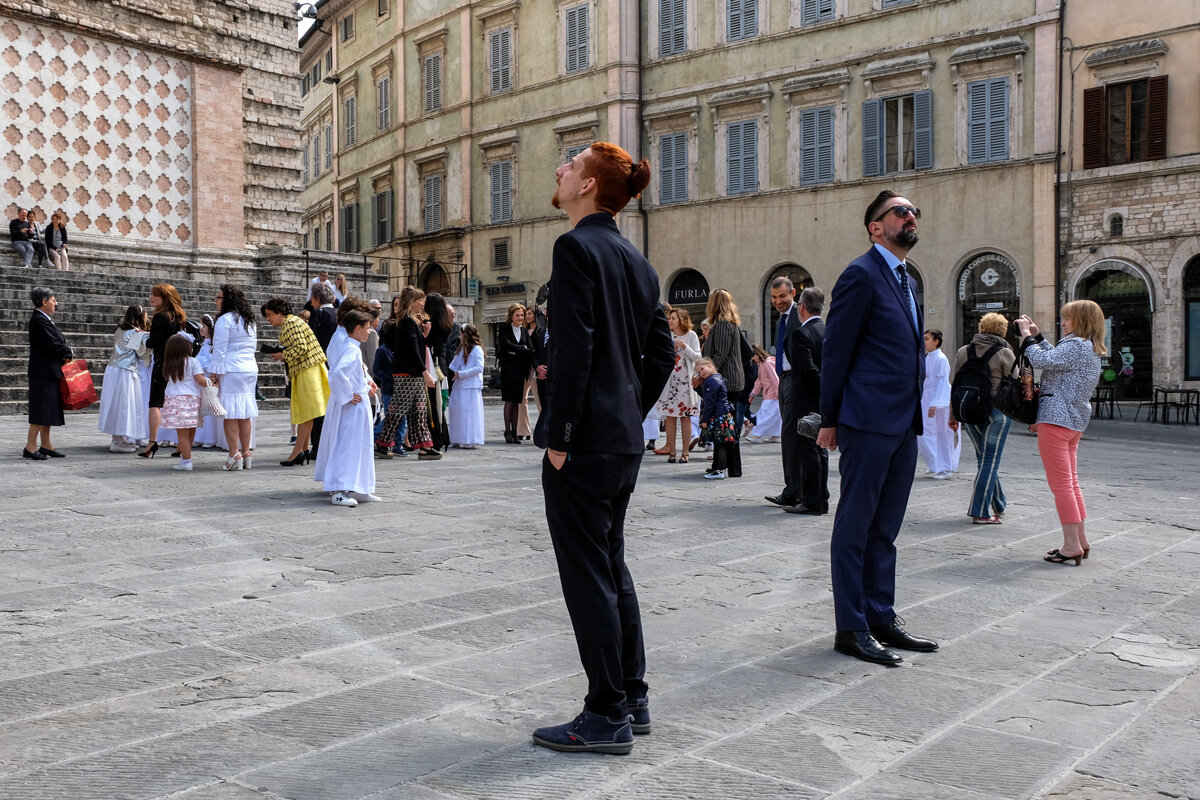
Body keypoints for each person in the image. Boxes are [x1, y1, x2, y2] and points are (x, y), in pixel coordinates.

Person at [532, 141, 673, 755]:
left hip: (583, 443)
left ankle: (606, 712)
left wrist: (559, 437)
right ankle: (632, 694)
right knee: (613, 565)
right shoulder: (638, 261)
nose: (560, 170)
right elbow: (662, 352)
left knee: (588, 572)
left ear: (588, 186)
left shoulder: (574, 247)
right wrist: (629, 412)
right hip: (621, 442)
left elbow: (574, 352)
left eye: (570, 165)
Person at [817, 190, 938, 667]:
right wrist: (829, 418)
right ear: (876, 227)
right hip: (866, 420)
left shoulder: (905, 279)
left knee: (885, 529)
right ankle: (851, 626)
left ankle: (881, 616)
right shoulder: (860, 275)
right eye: (901, 212)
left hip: (901, 422)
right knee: (855, 526)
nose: (911, 217)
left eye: (915, 211)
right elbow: (836, 352)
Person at [1016, 301, 1105, 565]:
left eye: (1067, 319)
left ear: (1081, 320)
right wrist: (1039, 337)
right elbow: (1056, 360)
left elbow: (1044, 361)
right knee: (1071, 483)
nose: (1063, 323)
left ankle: (1070, 546)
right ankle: (1081, 541)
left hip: (1055, 419)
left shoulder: (1075, 345)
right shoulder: (1088, 346)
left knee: (1062, 485)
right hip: (1074, 421)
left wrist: (1027, 337)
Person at [949, 313, 1016, 523]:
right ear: (1002, 330)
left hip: (969, 411)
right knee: (990, 460)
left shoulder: (963, 351)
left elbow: (955, 383)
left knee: (985, 460)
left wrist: (952, 414)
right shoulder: (1005, 352)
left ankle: (999, 503)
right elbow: (1015, 383)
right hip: (996, 412)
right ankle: (980, 512)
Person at [314, 310, 379, 507]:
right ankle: (340, 490)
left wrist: (366, 383)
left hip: (358, 404)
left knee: (360, 444)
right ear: (357, 328)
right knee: (348, 445)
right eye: (367, 328)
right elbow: (336, 373)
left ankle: (358, 486)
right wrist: (349, 395)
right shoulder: (351, 349)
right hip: (353, 407)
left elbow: (355, 371)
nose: (369, 332)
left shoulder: (352, 347)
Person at [262, 299, 328, 466]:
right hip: (308, 369)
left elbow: (301, 348)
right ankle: (304, 449)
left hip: (307, 370)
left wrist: (281, 355)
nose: (268, 319)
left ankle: (298, 451)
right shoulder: (294, 322)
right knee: (309, 412)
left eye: (269, 315)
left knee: (306, 413)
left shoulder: (291, 323)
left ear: (279, 312)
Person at [377, 286, 439, 460]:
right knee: (397, 411)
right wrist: (425, 372)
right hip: (407, 374)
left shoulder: (409, 322)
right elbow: (412, 351)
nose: (422, 304)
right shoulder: (407, 322)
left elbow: (414, 347)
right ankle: (383, 443)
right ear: (412, 303)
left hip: (412, 374)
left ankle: (425, 446)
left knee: (419, 409)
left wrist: (424, 335)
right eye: (420, 301)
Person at [783, 287, 828, 516]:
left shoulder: (801, 333)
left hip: (805, 399)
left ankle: (812, 501)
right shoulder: (825, 329)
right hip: (821, 400)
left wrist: (821, 385)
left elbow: (807, 369)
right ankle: (822, 497)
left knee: (808, 451)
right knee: (820, 449)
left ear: (801, 307)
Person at [210, 284, 259, 471]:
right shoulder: (249, 320)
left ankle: (233, 453)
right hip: (248, 368)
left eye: (219, 297)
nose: (216, 300)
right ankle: (246, 452)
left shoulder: (225, 320)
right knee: (244, 412)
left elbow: (220, 348)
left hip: (231, 368)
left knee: (230, 413)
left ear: (227, 300)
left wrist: (214, 372)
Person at [24, 287, 73, 460]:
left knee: (48, 409)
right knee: (41, 408)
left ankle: (46, 444)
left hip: (50, 371)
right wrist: (68, 353)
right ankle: (30, 446)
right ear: (44, 302)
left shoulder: (44, 319)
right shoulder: (38, 320)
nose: (56, 303)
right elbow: (52, 344)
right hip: (42, 372)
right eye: (53, 300)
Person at [140, 283, 186, 458]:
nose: (151, 298)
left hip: (162, 364)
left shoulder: (161, 317)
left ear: (164, 298)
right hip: (177, 364)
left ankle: (152, 442)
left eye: (155, 295)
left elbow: (153, 342)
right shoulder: (178, 316)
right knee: (177, 402)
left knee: (155, 403)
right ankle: (181, 444)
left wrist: (144, 336)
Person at [98, 305, 150, 453]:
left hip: (113, 369)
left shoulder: (120, 330)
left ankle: (120, 437)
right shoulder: (136, 333)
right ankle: (118, 441)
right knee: (125, 404)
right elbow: (145, 351)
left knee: (116, 403)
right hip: (126, 371)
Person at [653, 307, 701, 461]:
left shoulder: (691, 335)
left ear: (681, 319)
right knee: (670, 418)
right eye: (669, 318)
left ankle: (685, 452)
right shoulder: (667, 335)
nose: (670, 321)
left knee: (686, 418)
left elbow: (698, 358)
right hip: (669, 384)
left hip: (686, 385)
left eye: (673, 318)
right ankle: (672, 451)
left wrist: (685, 348)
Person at [158, 334, 206, 471]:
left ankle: (186, 460)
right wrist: (211, 384)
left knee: (182, 434)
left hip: (175, 399)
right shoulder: (193, 362)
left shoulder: (169, 364)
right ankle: (185, 459)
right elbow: (200, 380)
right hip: (193, 399)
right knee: (191, 431)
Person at [918, 329, 961, 479]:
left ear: (936, 341)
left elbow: (943, 381)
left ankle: (944, 466)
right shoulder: (927, 357)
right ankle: (934, 462)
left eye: (927, 338)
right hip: (927, 396)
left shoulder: (941, 358)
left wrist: (935, 403)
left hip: (938, 398)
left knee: (941, 433)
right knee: (925, 433)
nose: (924, 341)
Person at [700, 290, 744, 419]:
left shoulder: (723, 325)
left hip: (726, 380)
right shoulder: (728, 324)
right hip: (728, 380)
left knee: (725, 425)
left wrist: (704, 375)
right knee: (728, 423)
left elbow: (720, 354)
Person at [695, 358, 739, 479]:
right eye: (699, 372)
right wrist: (698, 388)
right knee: (721, 443)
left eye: (702, 369)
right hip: (723, 414)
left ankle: (720, 470)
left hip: (718, 415)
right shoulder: (717, 377)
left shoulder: (711, 381)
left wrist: (704, 419)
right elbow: (709, 397)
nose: (701, 373)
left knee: (720, 444)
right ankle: (719, 469)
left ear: (709, 365)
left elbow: (710, 402)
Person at [496, 303, 534, 444]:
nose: (520, 317)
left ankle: (515, 433)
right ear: (511, 316)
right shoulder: (505, 328)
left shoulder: (524, 331)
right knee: (509, 401)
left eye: (522, 315)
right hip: (508, 370)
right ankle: (507, 431)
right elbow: (505, 345)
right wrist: (521, 348)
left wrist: (516, 350)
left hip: (520, 370)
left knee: (517, 402)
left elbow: (530, 349)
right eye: (517, 315)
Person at [424, 293, 454, 452]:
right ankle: (443, 437)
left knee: (433, 405)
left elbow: (427, 344)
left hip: (432, 366)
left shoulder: (431, 324)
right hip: (440, 366)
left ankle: (436, 438)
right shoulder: (445, 324)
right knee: (438, 404)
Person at [448, 324, 485, 449]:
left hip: (471, 385)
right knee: (457, 411)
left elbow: (479, 367)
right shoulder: (462, 350)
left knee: (469, 413)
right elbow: (454, 365)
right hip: (460, 384)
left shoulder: (477, 350)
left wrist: (462, 373)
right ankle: (457, 437)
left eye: (460, 334)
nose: (459, 336)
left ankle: (469, 439)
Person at [194, 315, 225, 450]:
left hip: (209, 379)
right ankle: (199, 436)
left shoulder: (213, 345)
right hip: (200, 380)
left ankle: (210, 437)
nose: (201, 328)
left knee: (210, 406)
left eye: (204, 326)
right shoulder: (200, 344)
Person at [517, 305, 542, 441]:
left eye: (530, 314)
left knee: (539, 399)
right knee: (521, 399)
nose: (527, 316)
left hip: (535, 368)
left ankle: (544, 429)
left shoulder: (540, 331)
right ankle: (523, 430)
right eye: (526, 314)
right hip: (524, 367)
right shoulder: (523, 330)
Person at [745, 345, 780, 443]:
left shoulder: (767, 363)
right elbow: (760, 380)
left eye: (753, 356)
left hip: (773, 394)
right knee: (773, 414)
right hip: (771, 393)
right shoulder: (763, 363)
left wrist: (777, 392)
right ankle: (775, 435)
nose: (753, 359)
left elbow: (775, 378)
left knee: (766, 414)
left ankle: (757, 434)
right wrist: (753, 394)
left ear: (757, 354)